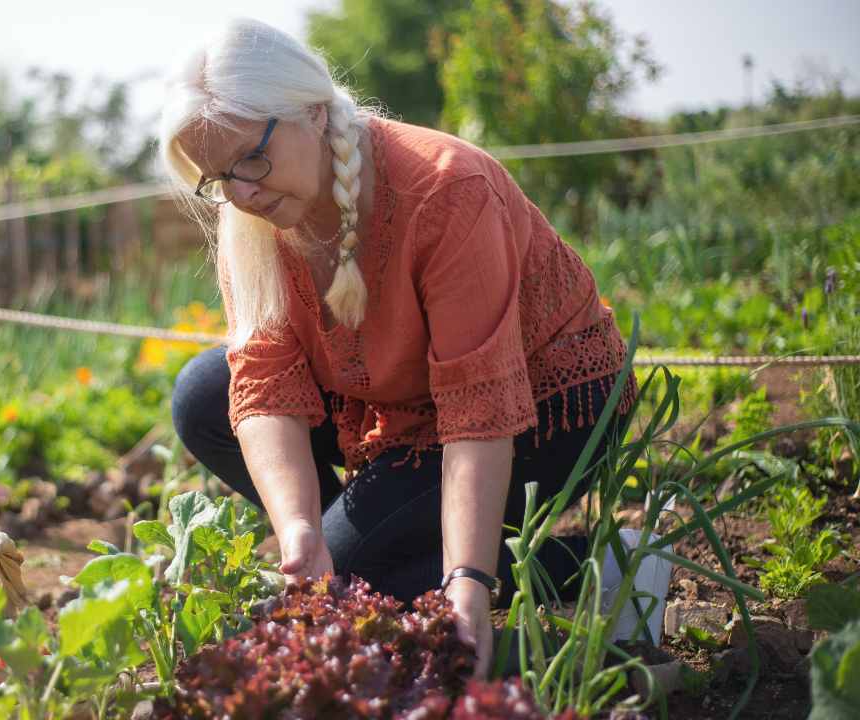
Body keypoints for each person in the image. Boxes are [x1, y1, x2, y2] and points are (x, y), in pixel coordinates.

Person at [159, 18, 660, 678]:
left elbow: (477, 414)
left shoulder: (446, 189)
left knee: (359, 576)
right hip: (396, 408)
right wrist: (300, 531)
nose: (242, 195)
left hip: (545, 407)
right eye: (217, 178)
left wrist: (469, 585)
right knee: (204, 396)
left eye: (251, 160)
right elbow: (266, 378)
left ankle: (607, 561)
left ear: (310, 111)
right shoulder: (250, 214)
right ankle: (373, 546)